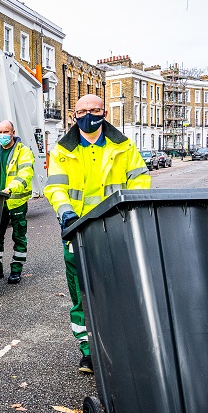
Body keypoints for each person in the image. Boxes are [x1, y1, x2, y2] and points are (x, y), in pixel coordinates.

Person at [45, 94, 151, 374]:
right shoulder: (62, 151)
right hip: (77, 230)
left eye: (94, 110)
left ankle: (120, 345)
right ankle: (88, 350)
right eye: (82, 111)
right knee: (81, 293)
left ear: (104, 113)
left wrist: (131, 209)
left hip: (117, 227)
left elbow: (140, 179)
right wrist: (66, 213)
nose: (88, 115)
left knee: (119, 289)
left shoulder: (123, 147)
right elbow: (55, 187)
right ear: (74, 115)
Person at [0, 120, 35, 284]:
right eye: (0, 132)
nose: (2, 135)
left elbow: (25, 174)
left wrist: (9, 189)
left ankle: (16, 270)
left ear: (13, 133)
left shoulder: (23, 151)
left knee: (19, 237)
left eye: (5, 132)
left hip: (16, 201)